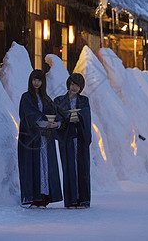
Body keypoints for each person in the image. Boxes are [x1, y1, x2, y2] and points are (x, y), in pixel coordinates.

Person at [18, 69, 63, 208]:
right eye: (34, 80)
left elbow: (56, 113)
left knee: (45, 167)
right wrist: (44, 123)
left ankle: (44, 198)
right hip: (32, 139)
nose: (36, 83)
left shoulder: (46, 99)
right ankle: (34, 198)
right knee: (33, 166)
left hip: (45, 139)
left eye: (39, 80)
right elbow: (29, 115)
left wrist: (57, 123)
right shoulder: (26, 97)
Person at [55, 73, 92, 208]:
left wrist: (77, 116)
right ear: (68, 84)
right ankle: (71, 200)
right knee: (68, 167)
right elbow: (57, 116)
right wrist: (67, 118)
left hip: (80, 137)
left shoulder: (84, 100)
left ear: (81, 87)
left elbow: (86, 115)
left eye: (77, 85)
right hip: (67, 137)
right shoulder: (59, 100)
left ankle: (83, 200)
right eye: (72, 84)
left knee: (82, 168)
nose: (74, 87)